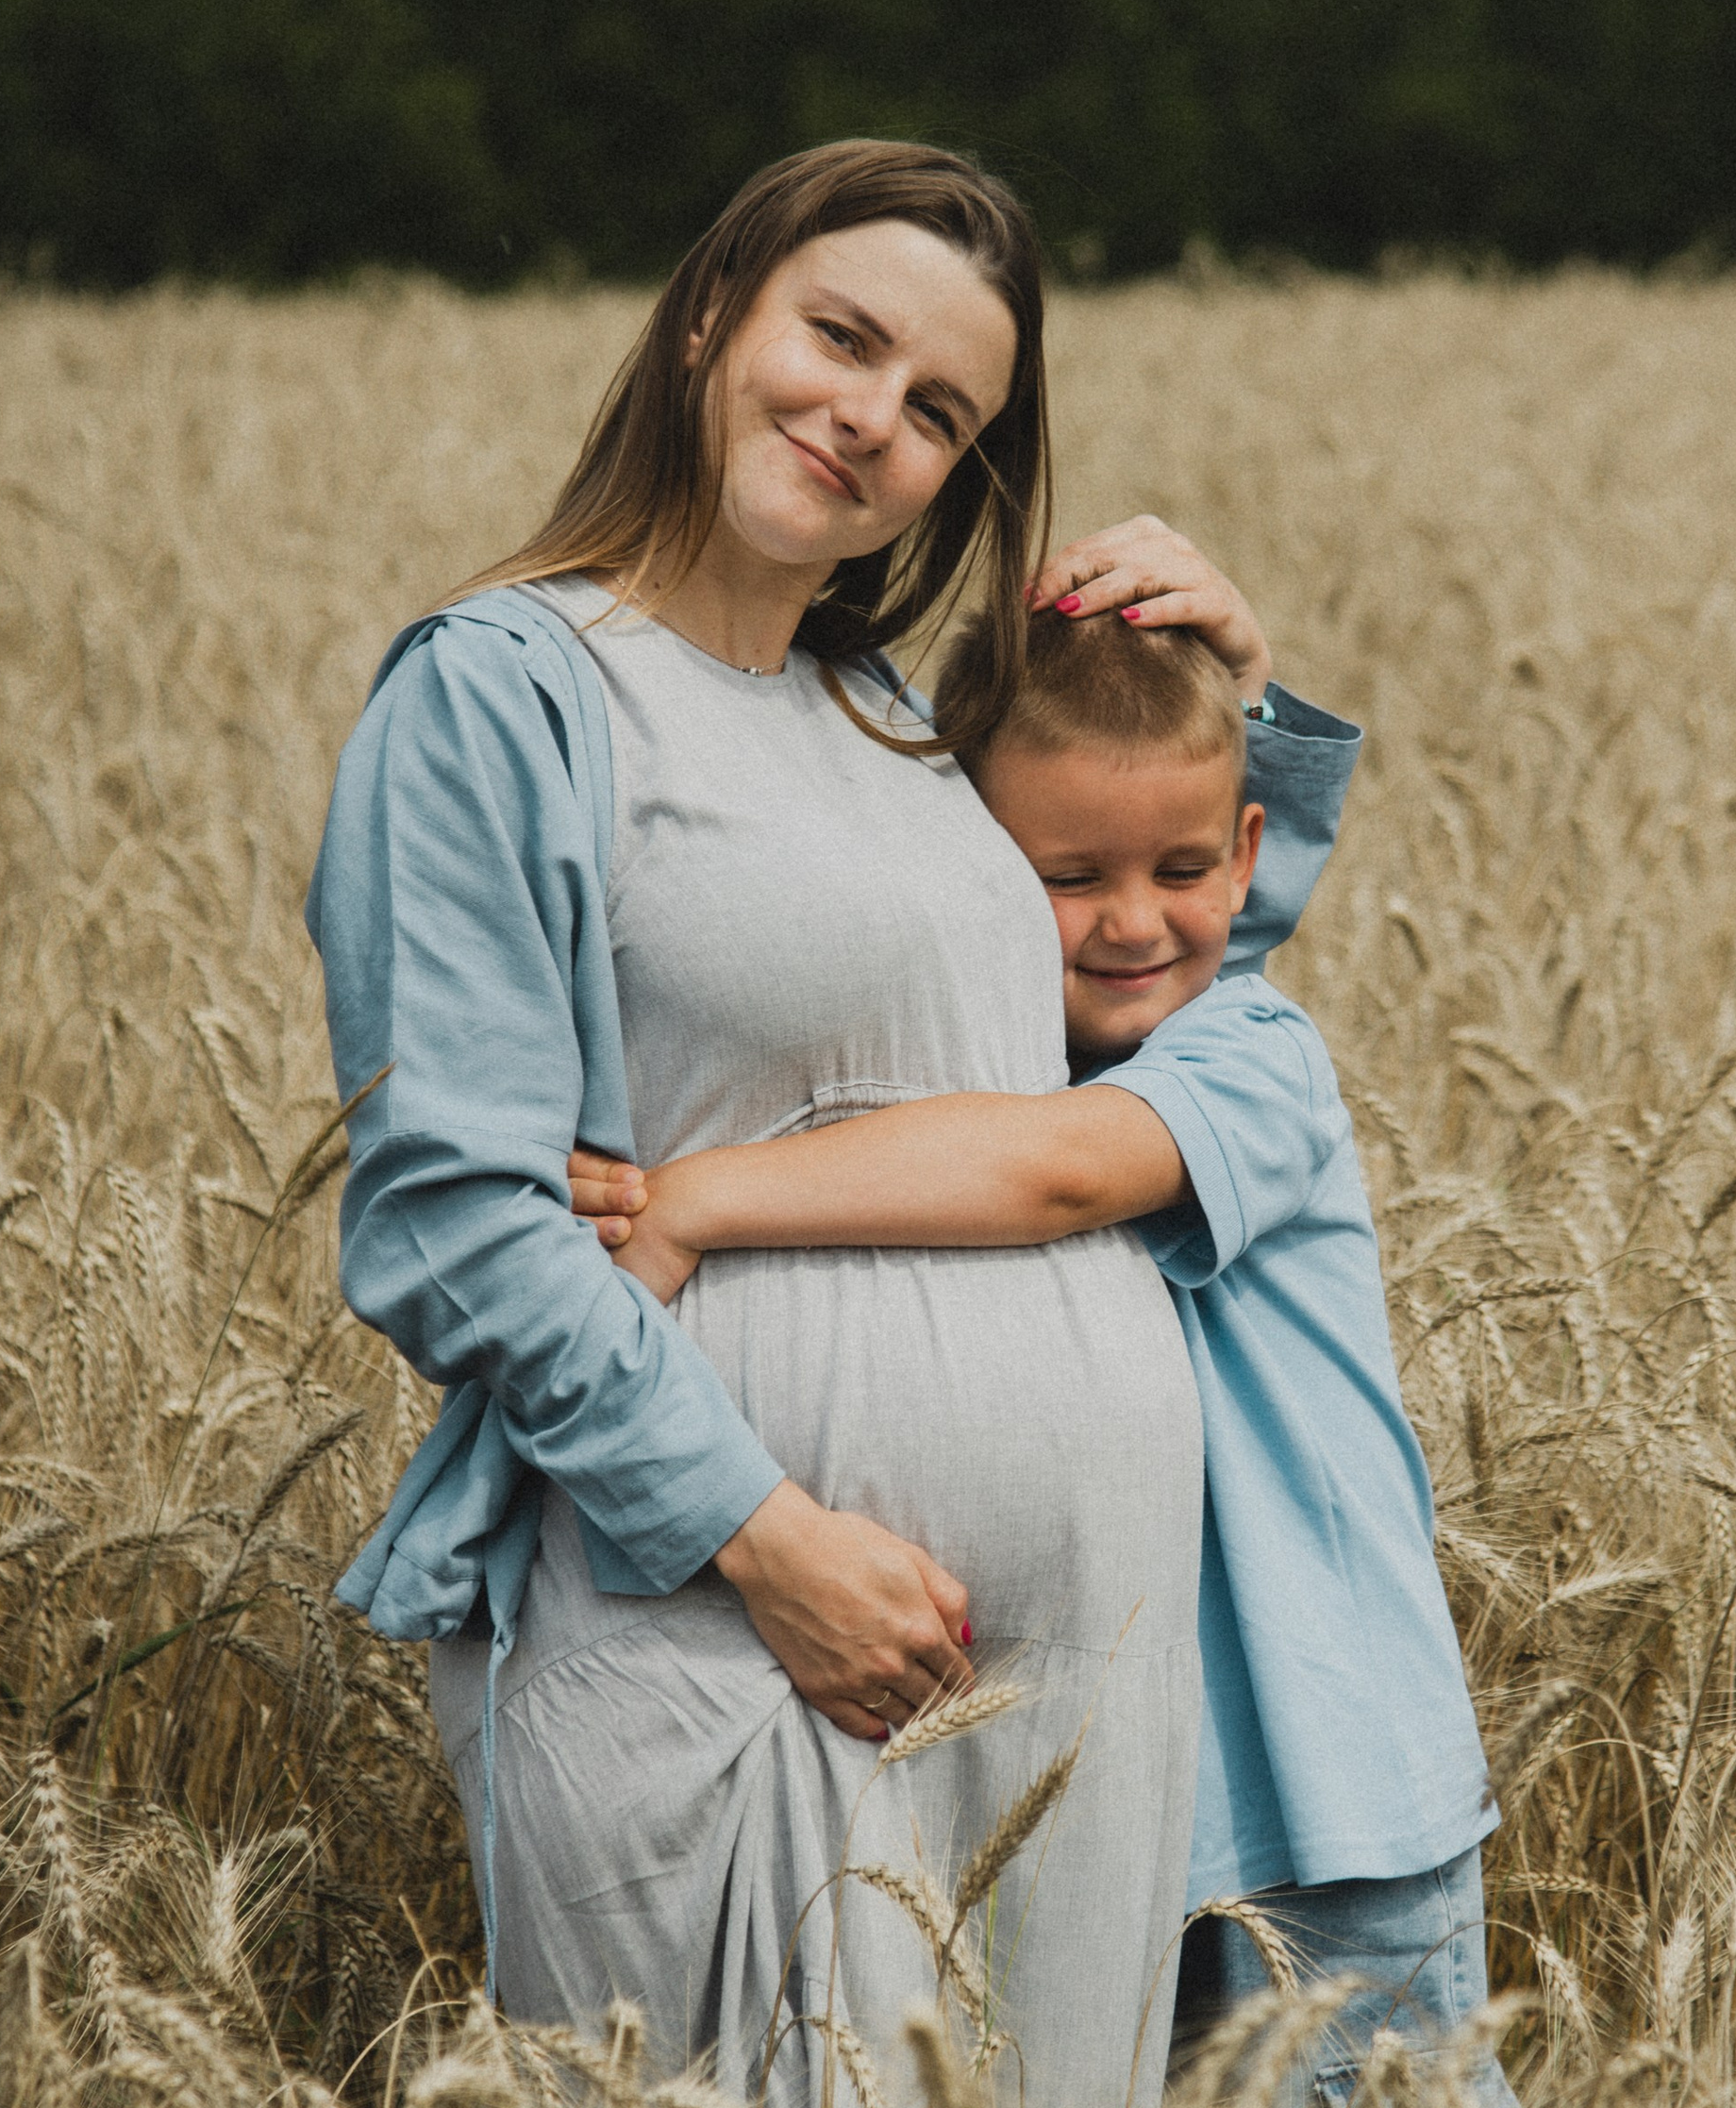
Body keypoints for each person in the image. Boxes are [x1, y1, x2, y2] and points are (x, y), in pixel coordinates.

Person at [306, 140, 1357, 2103]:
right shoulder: (503, 693)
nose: (871, 415)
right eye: (841, 337)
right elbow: (455, 1216)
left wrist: (1248, 699)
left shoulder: (875, 710)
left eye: (938, 407)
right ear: (713, 312)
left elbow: (1119, 1020)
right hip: (730, 1635)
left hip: (1060, 1710)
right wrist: (771, 1539)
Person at [567, 605, 1514, 2102]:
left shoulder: (1253, 1061)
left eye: (1185, 872)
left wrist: (706, 1197)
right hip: (1094, 1820)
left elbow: (1053, 1169)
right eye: (1068, 879)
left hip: (1331, 1802)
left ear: (1250, 856)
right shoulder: (971, 1068)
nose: (1136, 920)